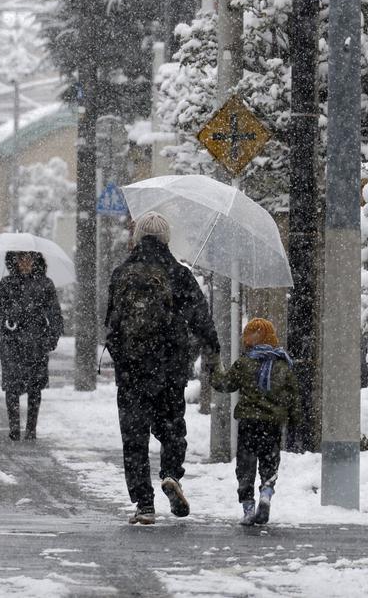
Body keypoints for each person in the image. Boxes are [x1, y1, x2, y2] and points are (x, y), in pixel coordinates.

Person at [104, 211, 219, 525]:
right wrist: (211, 349)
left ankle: (144, 504)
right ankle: (170, 474)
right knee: (171, 430)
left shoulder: (121, 273)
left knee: (135, 438)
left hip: (132, 373)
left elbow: (111, 325)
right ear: (166, 238)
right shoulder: (178, 273)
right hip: (168, 369)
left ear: (138, 237)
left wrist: (123, 358)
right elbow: (201, 318)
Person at [211, 318, 301, 526]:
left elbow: (224, 385)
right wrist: (294, 421)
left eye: (248, 334)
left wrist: (215, 368)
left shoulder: (244, 363)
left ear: (253, 337)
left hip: (249, 424)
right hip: (272, 425)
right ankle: (266, 494)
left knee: (246, 467)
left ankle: (248, 509)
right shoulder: (282, 363)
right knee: (270, 463)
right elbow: (294, 396)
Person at [0, 251, 63, 440]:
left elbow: (55, 314)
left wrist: (51, 339)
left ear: (36, 260)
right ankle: (14, 429)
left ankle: (31, 429)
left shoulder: (46, 284)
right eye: (21, 258)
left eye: (29, 258)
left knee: (35, 387)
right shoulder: (6, 284)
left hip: (37, 343)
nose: (25, 262)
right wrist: (8, 312)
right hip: (12, 343)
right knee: (12, 387)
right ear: (15, 261)